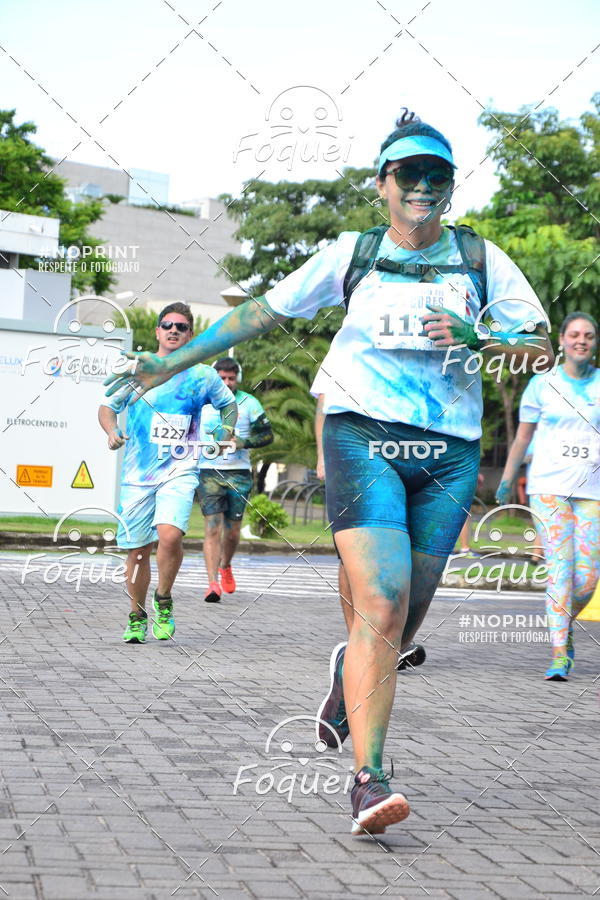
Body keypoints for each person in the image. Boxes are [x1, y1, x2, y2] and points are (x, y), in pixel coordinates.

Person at [105, 110, 553, 835]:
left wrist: (485, 334)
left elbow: (537, 345)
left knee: (402, 621)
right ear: (383, 182)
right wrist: (173, 360)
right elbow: (259, 313)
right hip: (363, 433)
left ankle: (350, 675)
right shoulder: (355, 253)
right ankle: (370, 782)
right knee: (381, 596)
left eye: (437, 175)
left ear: (449, 187)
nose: (422, 187)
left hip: (449, 452)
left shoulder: (481, 259)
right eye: (408, 173)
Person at [99, 303, 237, 643]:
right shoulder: (140, 370)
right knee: (137, 551)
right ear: (157, 332)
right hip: (138, 475)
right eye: (167, 325)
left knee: (170, 535)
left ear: (190, 334)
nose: (173, 330)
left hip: (180, 468)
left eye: (181, 326)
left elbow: (228, 406)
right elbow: (107, 407)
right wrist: (111, 431)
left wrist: (225, 431)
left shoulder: (203, 375)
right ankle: (136, 614)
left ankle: (163, 599)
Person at [496, 312, 599, 681]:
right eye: (574, 334)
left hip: (592, 493)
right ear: (562, 340)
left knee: (586, 579)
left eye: (588, 335)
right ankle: (559, 652)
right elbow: (523, 437)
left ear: (595, 342)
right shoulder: (542, 385)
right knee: (559, 571)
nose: (581, 340)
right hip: (549, 490)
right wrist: (508, 479)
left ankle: (563, 623)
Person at [313, 384, 427, 677]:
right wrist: (323, 456)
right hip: (357, 458)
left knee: (404, 554)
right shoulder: (349, 347)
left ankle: (391, 638)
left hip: (411, 456)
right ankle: (358, 640)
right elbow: (325, 404)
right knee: (351, 557)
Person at [198, 356, 273, 603]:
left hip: (239, 473)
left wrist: (243, 442)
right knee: (212, 527)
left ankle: (226, 565)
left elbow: (267, 435)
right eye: (221, 378)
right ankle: (212, 584)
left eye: (231, 378)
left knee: (231, 532)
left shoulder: (249, 403)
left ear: (237, 378)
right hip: (209, 471)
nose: (227, 383)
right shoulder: (203, 403)